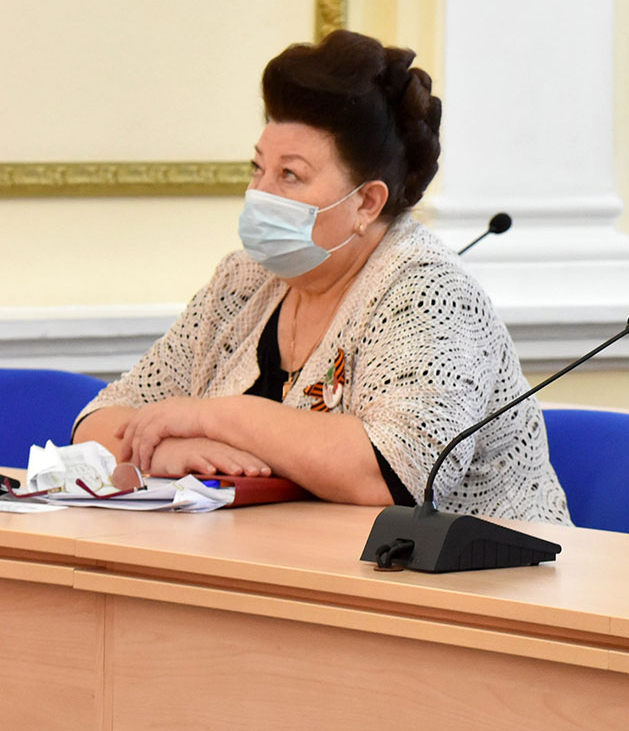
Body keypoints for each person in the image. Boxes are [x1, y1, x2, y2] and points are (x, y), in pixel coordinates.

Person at [72, 30, 570, 522]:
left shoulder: (429, 291)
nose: (261, 193)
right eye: (258, 169)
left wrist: (211, 416)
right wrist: (167, 451)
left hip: (484, 568)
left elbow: (393, 474)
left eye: (290, 175)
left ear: (367, 202)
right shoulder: (243, 281)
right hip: (282, 560)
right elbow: (99, 421)